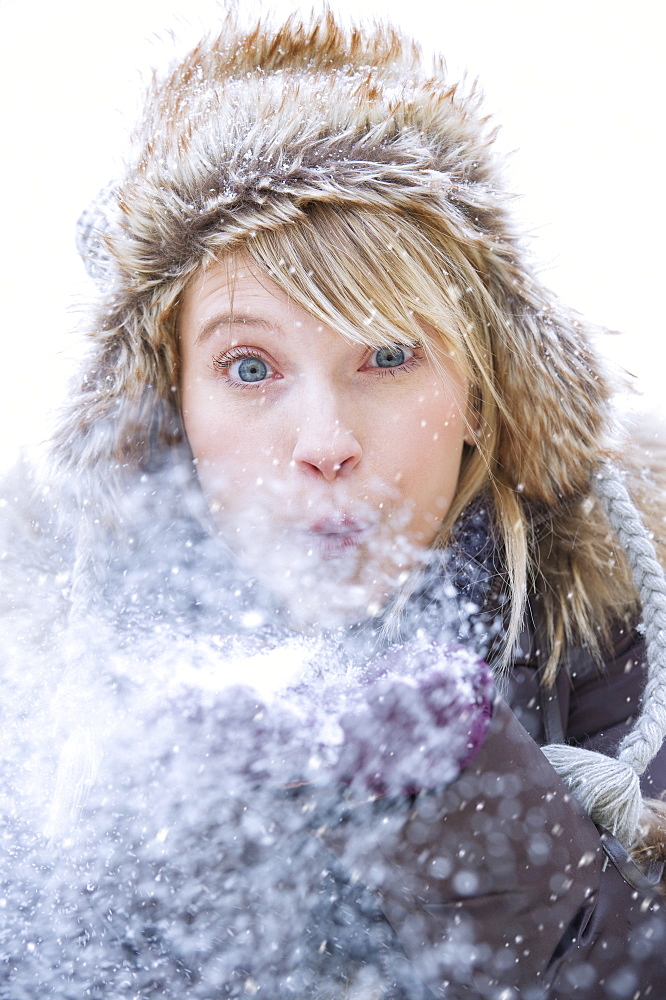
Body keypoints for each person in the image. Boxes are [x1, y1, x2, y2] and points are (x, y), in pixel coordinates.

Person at [1, 10, 666, 999]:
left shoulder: (624, 643)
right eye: (251, 364)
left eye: (388, 355)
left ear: (482, 394)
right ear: (171, 401)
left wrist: (472, 787)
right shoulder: (42, 661)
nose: (323, 442)